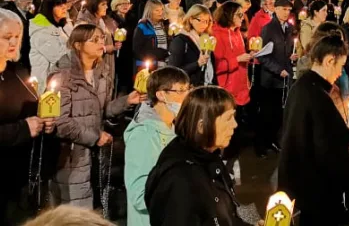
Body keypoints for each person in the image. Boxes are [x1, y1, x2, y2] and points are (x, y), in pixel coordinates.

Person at [50, 24, 142, 207]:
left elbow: (103, 109)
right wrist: (95, 136)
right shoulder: (62, 75)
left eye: (102, 38)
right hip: (71, 156)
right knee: (74, 212)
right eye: (94, 40)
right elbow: (59, 122)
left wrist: (126, 102)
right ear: (78, 45)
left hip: (95, 155)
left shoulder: (102, 72)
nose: (102, 43)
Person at [279, 35, 349, 225]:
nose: (340, 73)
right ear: (329, 60)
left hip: (303, 188)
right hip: (319, 191)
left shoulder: (301, 87)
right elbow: (329, 151)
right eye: (340, 66)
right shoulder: (318, 96)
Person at [145, 86, 242, 226]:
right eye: (228, 118)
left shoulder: (210, 157)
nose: (235, 124)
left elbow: (230, 213)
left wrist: (252, 224)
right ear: (201, 126)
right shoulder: (179, 180)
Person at [0, 9, 55, 224]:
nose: (14, 42)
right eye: (6, 37)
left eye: (17, 36)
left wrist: (45, 121)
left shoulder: (18, 71)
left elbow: (33, 108)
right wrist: (24, 128)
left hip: (20, 176)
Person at [124, 67, 191, 226]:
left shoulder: (173, 127)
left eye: (188, 89)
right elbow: (140, 195)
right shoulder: (144, 135)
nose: (187, 96)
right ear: (161, 95)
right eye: (180, 90)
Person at [256, 0, 297, 156]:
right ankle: (261, 145)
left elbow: (287, 50)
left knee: (279, 114)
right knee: (266, 113)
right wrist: (278, 69)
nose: (287, 13)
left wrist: (292, 57)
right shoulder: (268, 29)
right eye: (284, 9)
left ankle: (273, 140)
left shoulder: (289, 28)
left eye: (289, 10)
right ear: (276, 9)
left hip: (284, 79)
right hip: (270, 79)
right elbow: (263, 56)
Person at [76, 0, 121, 97]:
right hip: (93, 68)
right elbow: (84, 47)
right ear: (94, 5)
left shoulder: (103, 20)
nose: (106, 7)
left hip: (106, 65)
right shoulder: (84, 24)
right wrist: (105, 48)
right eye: (103, 4)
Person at [212, 2, 251, 106]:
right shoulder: (217, 35)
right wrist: (237, 59)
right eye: (239, 14)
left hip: (241, 88)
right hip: (227, 90)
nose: (242, 18)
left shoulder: (237, 32)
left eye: (242, 14)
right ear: (229, 15)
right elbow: (218, 66)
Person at [29, 0, 70, 93]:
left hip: (57, 80)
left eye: (65, 5)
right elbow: (58, 57)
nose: (64, 8)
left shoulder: (58, 27)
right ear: (50, 7)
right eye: (60, 6)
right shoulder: (41, 31)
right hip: (46, 83)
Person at [168, 4, 213, 87]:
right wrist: (197, 63)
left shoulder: (205, 39)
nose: (204, 24)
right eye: (200, 20)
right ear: (191, 19)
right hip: (187, 87)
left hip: (204, 85)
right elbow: (173, 70)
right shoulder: (180, 40)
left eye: (206, 21)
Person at [133, 0, 169, 72]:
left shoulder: (164, 25)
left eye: (162, 9)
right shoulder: (143, 26)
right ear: (150, 11)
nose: (160, 12)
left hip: (164, 65)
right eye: (157, 10)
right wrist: (155, 56)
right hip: (149, 66)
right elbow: (137, 50)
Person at [110, 0, 135, 94]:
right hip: (117, 51)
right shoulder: (111, 18)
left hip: (129, 50)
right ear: (116, 5)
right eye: (122, 4)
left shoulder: (132, 17)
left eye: (127, 4)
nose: (125, 6)